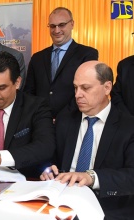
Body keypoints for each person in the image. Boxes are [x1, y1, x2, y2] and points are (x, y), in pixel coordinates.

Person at [40, 61, 134, 219]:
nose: (77, 95)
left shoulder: (128, 126)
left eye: (86, 88)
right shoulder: (66, 119)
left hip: (107, 208)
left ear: (107, 88)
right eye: (76, 88)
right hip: (61, 204)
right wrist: (48, 170)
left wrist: (92, 177)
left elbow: (131, 175)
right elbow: (50, 157)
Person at [24, 7, 98, 119]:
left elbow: (86, 90)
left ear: (72, 24)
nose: (57, 30)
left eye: (62, 25)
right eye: (52, 26)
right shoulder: (37, 58)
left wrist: (62, 118)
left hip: (74, 121)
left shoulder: (87, 54)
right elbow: (29, 92)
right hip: (41, 123)